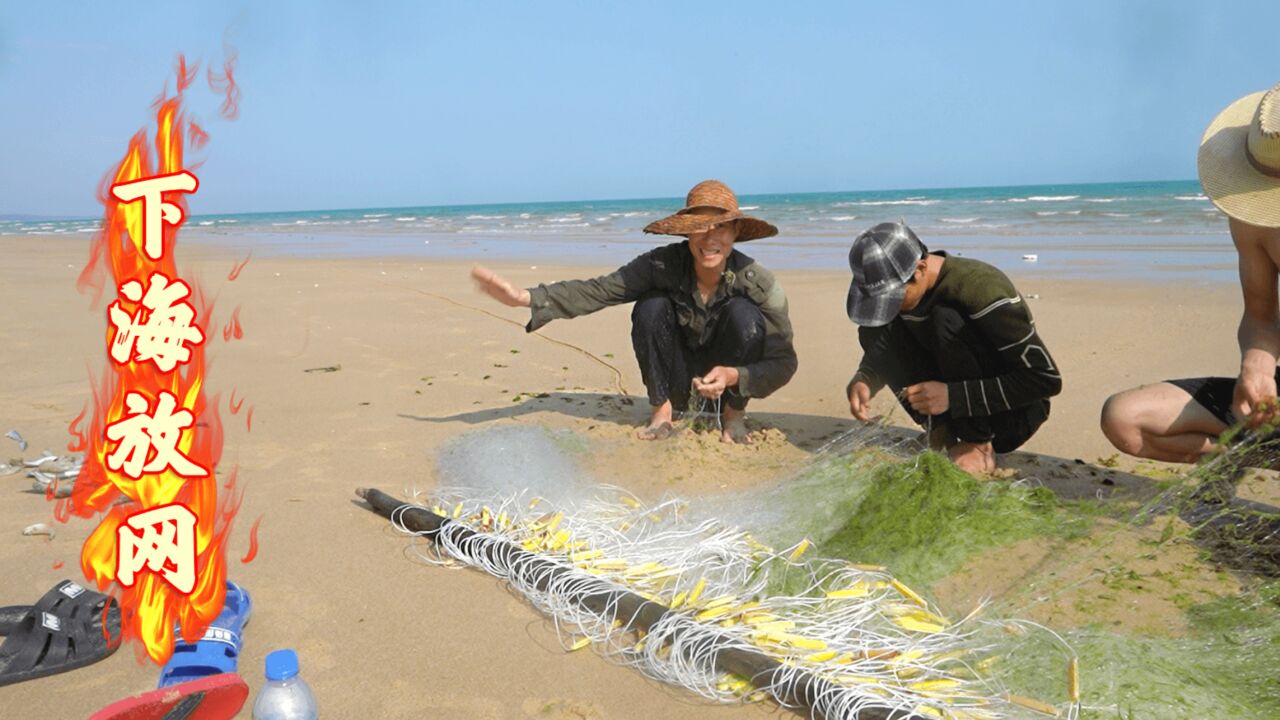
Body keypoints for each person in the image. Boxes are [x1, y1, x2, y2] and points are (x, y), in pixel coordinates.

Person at [470, 179, 798, 444]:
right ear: (686, 231)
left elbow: (784, 362)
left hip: (727, 387)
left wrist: (734, 376)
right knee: (651, 306)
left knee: (745, 317)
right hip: (676, 382)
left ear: (736, 232)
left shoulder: (760, 284)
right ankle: (661, 412)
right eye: (700, 226)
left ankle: (733, 418)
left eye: (721, 227)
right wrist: (523, 297)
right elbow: (598, 290)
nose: (710, 237)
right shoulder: (659, 264)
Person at [1101, 83, 1280, 464]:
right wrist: (1257, 366)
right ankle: (1232, 461)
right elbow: (1261, 316)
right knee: (1125, 418)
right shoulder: (1255, 222)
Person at [845, 221, 1062, 473]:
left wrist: (953, 396)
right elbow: (892, 343)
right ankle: (941, 431)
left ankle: (978, 445)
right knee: (873, 326)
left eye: (892, 298)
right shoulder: (909, 291)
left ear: (920, 268)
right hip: (946, 402)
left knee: (945, 318)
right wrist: (868, 376)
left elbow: (1044, 380)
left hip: (1011, 413)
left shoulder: (981, 289)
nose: (889, 307)